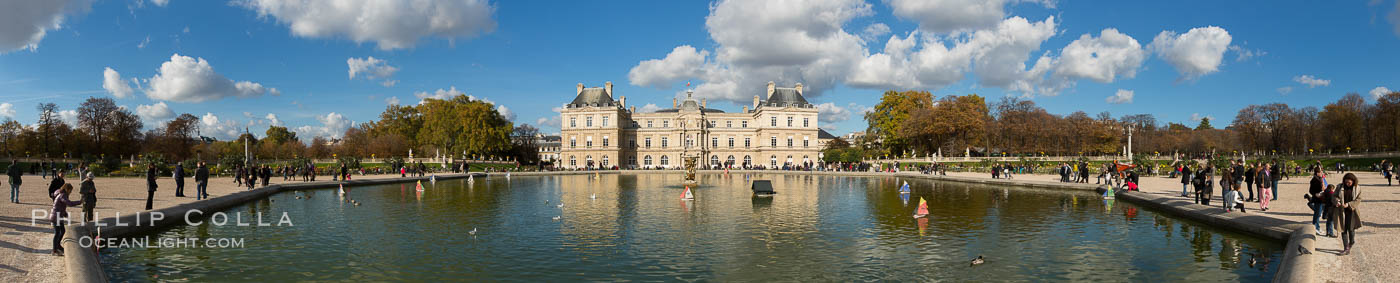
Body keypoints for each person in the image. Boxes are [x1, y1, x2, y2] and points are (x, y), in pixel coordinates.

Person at [49, 183, 81, 256]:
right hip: (55, 217)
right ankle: (54, 250)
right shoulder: (62, 195)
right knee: (57, 233)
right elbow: (69, 203)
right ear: (67, 189)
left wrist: (65, 213)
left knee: (62, 231)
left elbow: (60, 206)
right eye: (70, 190)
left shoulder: (60, 194)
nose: (71, 192)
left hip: (58, 216)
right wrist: (79, 202)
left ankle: (58, 246)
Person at [1337, 173, 1362, 255]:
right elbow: (1334, 196)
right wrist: (1336, 201)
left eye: (1349, 183)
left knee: (1351, 230)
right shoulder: (1339, 187)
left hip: (1352, 211)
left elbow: (1358, 199)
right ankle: (1346, 248)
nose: (1347, 184)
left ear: (1353, 181)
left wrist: (1349, 204)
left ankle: (1351, 241)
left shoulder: (1357, 188)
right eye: (1346, 182)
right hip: (1342, 211)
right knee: (1343, 230)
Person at [1307, 169, 1329, 236]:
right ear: (1317, 173)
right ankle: (1315, 227)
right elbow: (1312, 190)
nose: (1322, 173)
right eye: (1321, 172)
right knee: (1317, 214)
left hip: (1320, 199)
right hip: (1318, 199)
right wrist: (1316, 194)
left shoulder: (1319, 179)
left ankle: (1316, 227)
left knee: (1318, 213)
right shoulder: (1316, 180)